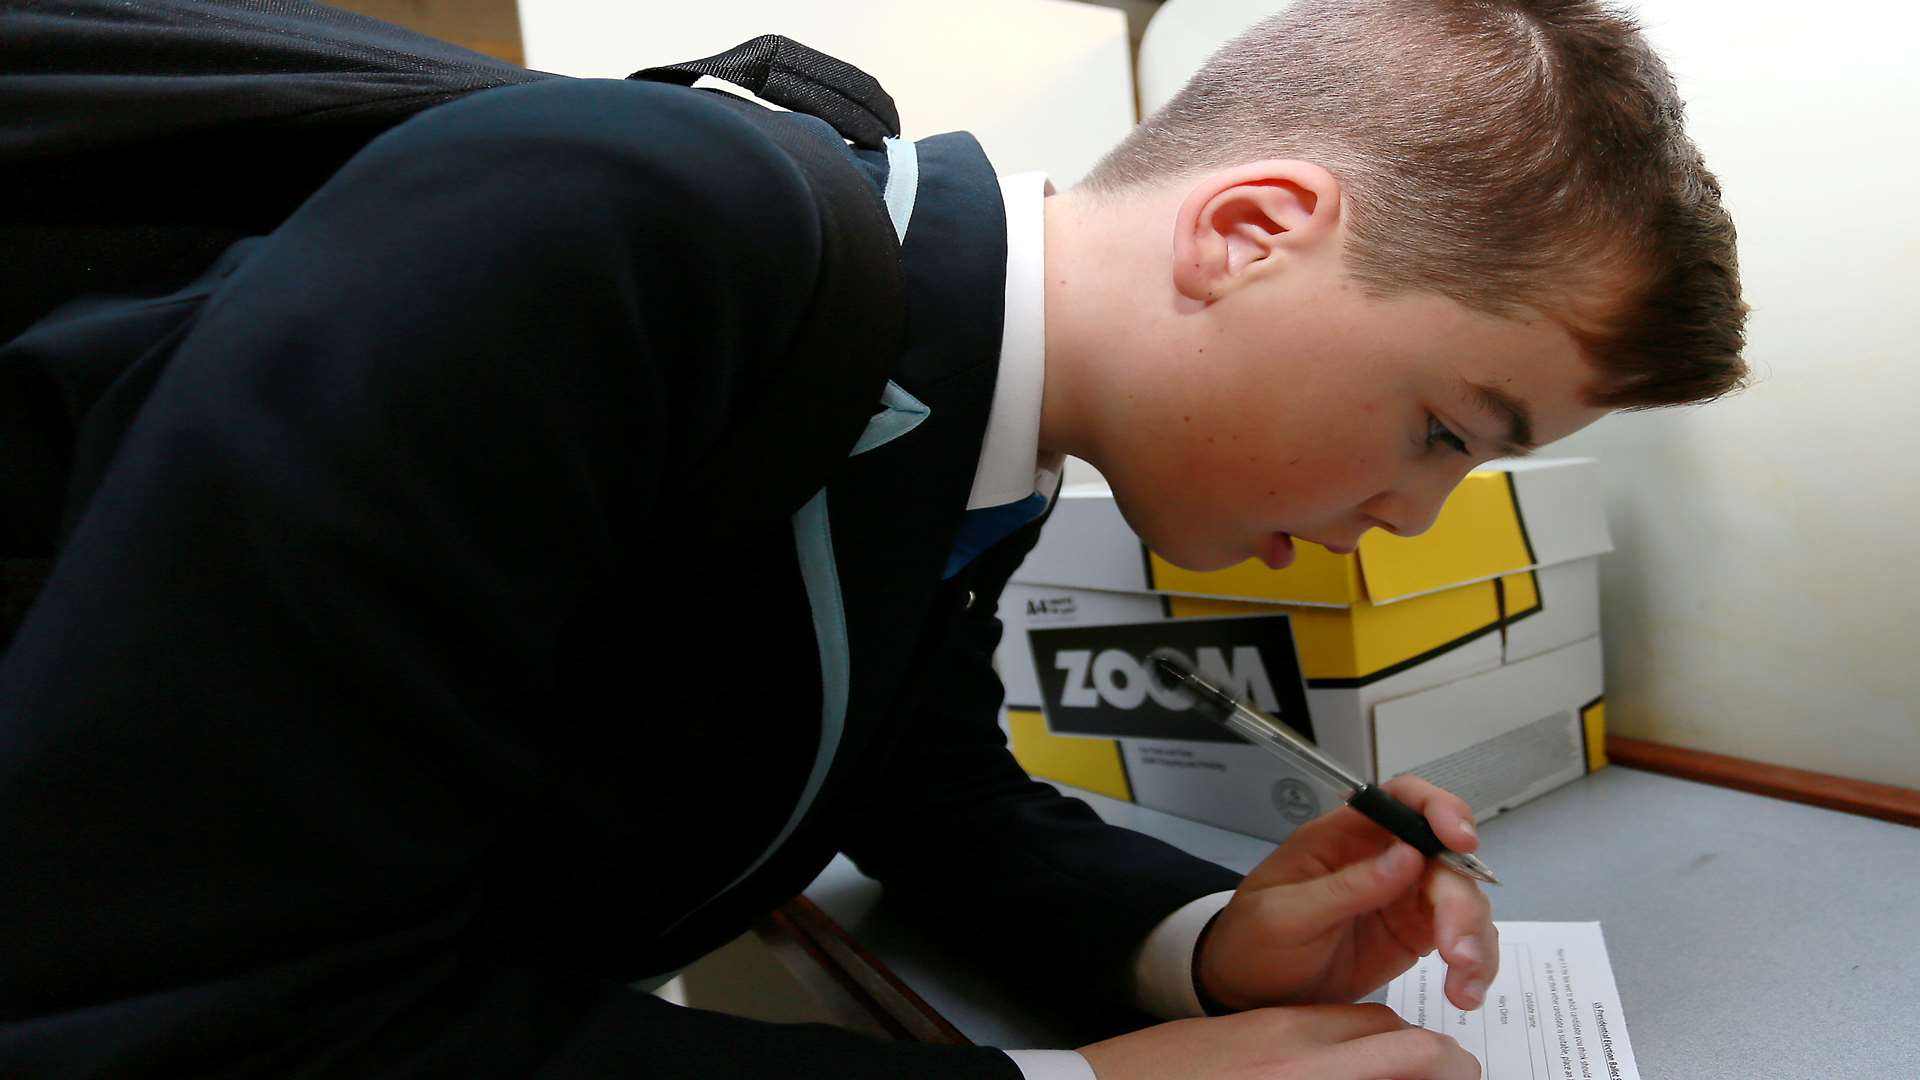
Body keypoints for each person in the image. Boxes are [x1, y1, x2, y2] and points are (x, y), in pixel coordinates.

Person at [0, 0, 1745, 1077]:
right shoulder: (635, 231)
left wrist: (1202, 950)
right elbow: (202, 1021)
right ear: (1253, 230)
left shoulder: (978, 419)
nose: (1411, 520)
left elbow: (928, 793)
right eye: (1445, 429)